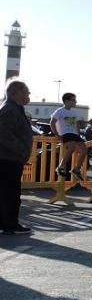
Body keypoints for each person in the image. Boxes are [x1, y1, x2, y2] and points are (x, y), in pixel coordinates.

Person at [0, 80, 34, 235]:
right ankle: (10, 225)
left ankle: (7, 223)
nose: (28, 94)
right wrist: (21, 150)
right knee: (10, 193)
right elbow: (3, 134)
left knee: (8, 193)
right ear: (16, 92)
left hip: (11, 158)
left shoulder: (15, 109)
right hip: (8, 159)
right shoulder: (10, 109)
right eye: (26, 91)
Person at [50, 93, 88, 180]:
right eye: (73, 100)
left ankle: (76, 169)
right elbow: (52, 122)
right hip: (65, 133)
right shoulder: (60, 111)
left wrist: (78, 132)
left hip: (74, 133)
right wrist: (56, 134)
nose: (75, 102)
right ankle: (60, 167)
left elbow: (78, 123)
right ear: (66, 101)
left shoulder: (74, 112)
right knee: (72, 147)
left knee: (84, 149)